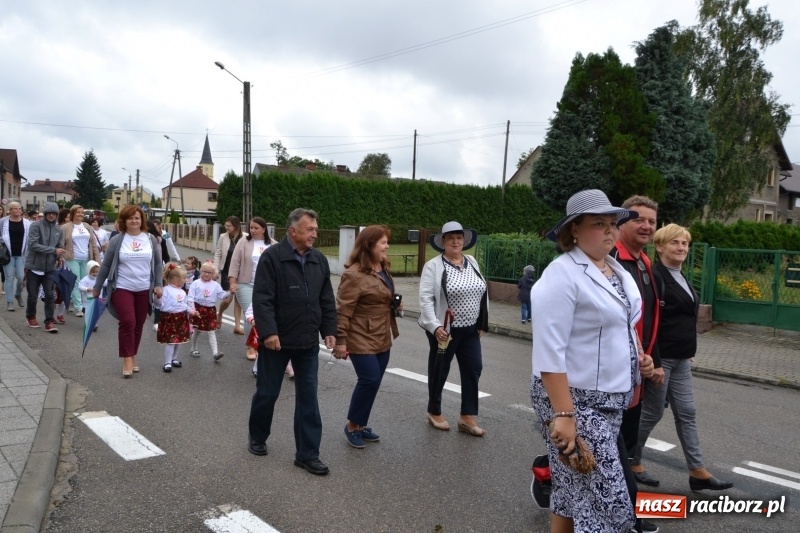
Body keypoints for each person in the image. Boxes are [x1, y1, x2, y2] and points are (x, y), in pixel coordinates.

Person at [530, 189, 655, 533]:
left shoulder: (615, 270)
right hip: (573, 399)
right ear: (574, 230)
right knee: (612, 502)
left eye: (612, 223)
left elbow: (621, 324)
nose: (610, 231)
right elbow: (549, 351)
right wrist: (564, 415)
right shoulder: (561, 274)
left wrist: (639, 358)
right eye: (599, 224)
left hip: (610, 400)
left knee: (571, 490)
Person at [634, 224, 734, 492]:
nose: (681, 248)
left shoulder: (681, 277)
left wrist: (687, 350)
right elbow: (648, 322)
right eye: (675, 243)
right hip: (661, 359)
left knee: (687, 412)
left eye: (685, 243)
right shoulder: (655, 278)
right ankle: (631, 459)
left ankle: (697, 471)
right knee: (652, 412)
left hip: (681, 358)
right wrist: (654, 361)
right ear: (660, 247)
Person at [248, 208, 337, 476]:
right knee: (267, 393)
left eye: (315, 229)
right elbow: (262, 297)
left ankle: (308, 454)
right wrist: (269, 333)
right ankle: (257, 436)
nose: (314, 234)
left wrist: (329, 330)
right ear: (292, 231)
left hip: (307, 341)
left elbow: (326, 300)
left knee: (308, 397)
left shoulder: (319, 260)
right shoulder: (272, 257)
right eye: (310, 229)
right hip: (277, 341)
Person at [610, 196, 664, 495]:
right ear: (621, 222)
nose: (646, 226)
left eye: (651, 221)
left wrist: (652, 357)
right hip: (613, 366)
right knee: (608, 434)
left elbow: (651, 315)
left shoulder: (645, 261)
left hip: (638, 365)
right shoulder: (611, 260)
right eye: (639, 219)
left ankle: (625, 477)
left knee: (628, 429)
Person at [418, 221, 489, 436]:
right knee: (439, 370)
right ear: (443, 242)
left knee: (473, 369)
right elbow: (426, 299)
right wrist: (435, 326)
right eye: (451, 238)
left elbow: (482, 291)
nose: (456, 242)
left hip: (470, 329)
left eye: (459, 237)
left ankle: (467, 416)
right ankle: (434, 411)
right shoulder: (433, 266)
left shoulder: (472, 261)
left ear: (464, 241)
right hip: (445, 331)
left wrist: (481, 322)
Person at [333, 225, 400, 449]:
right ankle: (352, 426)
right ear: (369, 245)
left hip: (382, 334)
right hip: (360, 335)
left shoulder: (383, 267)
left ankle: (361, 425)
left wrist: (395, 304)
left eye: (386, 242)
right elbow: (343, 310)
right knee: (369, 379)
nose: (387, 246)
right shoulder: (353, 274)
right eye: (383, 242)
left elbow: (382, 296)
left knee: (375, 382)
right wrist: (341, 340)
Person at [93, 206, 163, 378]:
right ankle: (126, 358)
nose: (134, 221)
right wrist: (97, 287)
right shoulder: (117, 240)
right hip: (122, 286)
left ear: (142, 220)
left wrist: (158, 284)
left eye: (137, 218)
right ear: (124, 221)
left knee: (139, 323)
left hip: (144, 287)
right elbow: (106, 265)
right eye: (130, 218)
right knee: (128, 321)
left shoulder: (150, 239)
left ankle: (133, 355)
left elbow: (157, 263)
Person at [228, 217, 278, 361]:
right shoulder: (243, 242)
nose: (253, 230)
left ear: (264, 229)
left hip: (267, 287)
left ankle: (262, 343)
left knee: (265, 314)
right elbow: (235, 262)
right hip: (246, 284)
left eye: (256, 228)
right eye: (251, 228)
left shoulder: (273, 244)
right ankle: (251, 346)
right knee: (252, 314)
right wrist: (233, 281)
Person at [24, 202, 65, 333]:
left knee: (50, 296)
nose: (51, 215)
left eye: (54, 213)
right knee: (32, 296)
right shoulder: (36, 225)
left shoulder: (59, 229)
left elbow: (60, 246)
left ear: (57, 215)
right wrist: (53, 251)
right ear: (45, 214)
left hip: (50, 268)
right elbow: (33, 244)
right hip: (34, 266)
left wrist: (60, 256)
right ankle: (31, 316)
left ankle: (49, 321)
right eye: (49, 213)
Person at [187, 261, 230, 362]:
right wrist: (193, 310)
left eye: (209, 272)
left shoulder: (215, 285)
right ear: (201, 271)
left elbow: (223, 296)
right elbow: (190, 298)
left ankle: (215, 353)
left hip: (210, 310)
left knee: (211, 331)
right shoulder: (195, 283)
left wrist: (231, 293)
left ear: (213, 274)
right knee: (197, 330)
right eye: (204, 271)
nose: (206, 274)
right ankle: (193, 348)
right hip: (198, 309)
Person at [62, 205, 100, 317]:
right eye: (78, 212)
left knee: (85, 282)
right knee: (76, 282)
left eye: (82, 212)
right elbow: (61, 243)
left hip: (86, 258)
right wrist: (61, 256)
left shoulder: (87, 226)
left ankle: (85, 305)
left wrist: (96, 258)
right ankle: (79, 308)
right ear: (73, 213)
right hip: (72, 258)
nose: (80, 214)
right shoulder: (65, 227)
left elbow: (93, 243)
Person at [156, 263, 191, 373]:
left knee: (178, 341)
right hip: (170, 318)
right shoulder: (166, 290)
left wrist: (192, 311)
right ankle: (167, 362)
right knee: (171, 341)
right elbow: (159, 305)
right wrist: (158, 298)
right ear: (176, 279)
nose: (185, 280)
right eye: (183, 278)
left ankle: (174, 358)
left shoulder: (182, 292)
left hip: (181, 317)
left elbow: (185, 305)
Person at [214, 216, 246, 334]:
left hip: (242, 271)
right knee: (227, 299)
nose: (226, 227)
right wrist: (215, 269)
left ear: (236, 226)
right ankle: (220, 314)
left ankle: (237, 326)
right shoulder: (223, 237)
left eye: (229, 226)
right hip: (227, 271)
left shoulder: (245, 237)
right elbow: (218, 253)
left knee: (238, 299)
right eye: (225, 225)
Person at [1, 201, 32, 311]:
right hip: (8, 254)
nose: (18, 210)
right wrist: (2, 241)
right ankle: (9, 301)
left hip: (21, 254)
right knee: (9, 278)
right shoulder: (3, 221)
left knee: (20, 277)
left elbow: (31, 237)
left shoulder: (27, 223)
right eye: (15, 208)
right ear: (10, 210)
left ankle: (18, 294)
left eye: (19, 208)